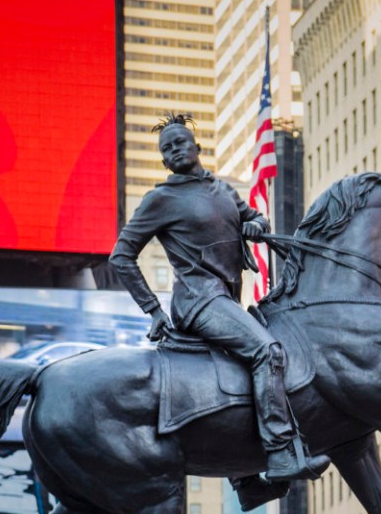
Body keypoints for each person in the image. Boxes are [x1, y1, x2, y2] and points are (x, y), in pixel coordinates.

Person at [108, 111, 329, 485]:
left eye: (180, 143)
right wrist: (153, 310)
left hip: (226, 300)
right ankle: (280, 453)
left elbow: (257, 217)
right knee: (267, 352)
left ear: (196, 146)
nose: (175, 150)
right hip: (199, 302)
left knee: (243, 371)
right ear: (164, 162)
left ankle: (246, 482)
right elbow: (121, 255)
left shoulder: (223, 190)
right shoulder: (160, 199)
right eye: (167, 149)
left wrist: (255, 225)